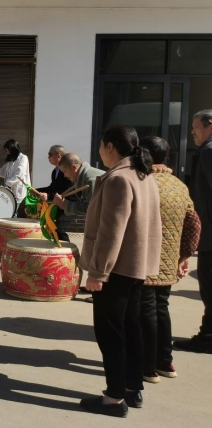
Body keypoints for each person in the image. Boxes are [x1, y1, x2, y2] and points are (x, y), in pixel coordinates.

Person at [79, 125, 161, 417]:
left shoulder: (118, 179)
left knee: (111, 334)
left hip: (115, 269)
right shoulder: (143, 176)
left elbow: (110, 232)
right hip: (135, 267)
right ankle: (131, 388)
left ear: (110, 146)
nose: (100, 151)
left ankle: (114, 398)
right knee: (130, 329)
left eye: (102, 145)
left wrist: (97, 273)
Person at [138, 136, 201, 383]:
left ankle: (147, 366)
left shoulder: (142, 182)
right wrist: (184, 255)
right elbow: (194, 224)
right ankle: (165, 362)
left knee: (145, 310)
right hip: (169, 260)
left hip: (143, 257)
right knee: (161, 307)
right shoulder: (179, 186)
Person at [174, 109, 212, 354]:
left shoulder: (208, 151)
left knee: (209, 288)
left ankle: (208, 337)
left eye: (196, 126)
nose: (192, 132)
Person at [35, 145, 72, 241]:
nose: (48, 157)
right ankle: (60, 249)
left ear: (59, 156)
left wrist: (49, 196)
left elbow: (67, 189)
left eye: (50, 154)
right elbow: (53, 188)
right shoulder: (55, 172)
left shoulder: (68, 170)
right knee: (54, 229)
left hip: (70, 203)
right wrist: (37, 191)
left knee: (60, 229)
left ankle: (68, 249)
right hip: (59, 204)